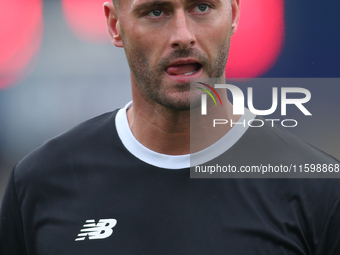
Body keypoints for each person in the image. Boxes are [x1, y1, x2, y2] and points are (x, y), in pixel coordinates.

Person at [1, 0, 340, 254]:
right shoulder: (39, 183)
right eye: (156, 11)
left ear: (234, 14)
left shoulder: (319, 188)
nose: (182, 36)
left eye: (202, 7)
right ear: (115, 24)